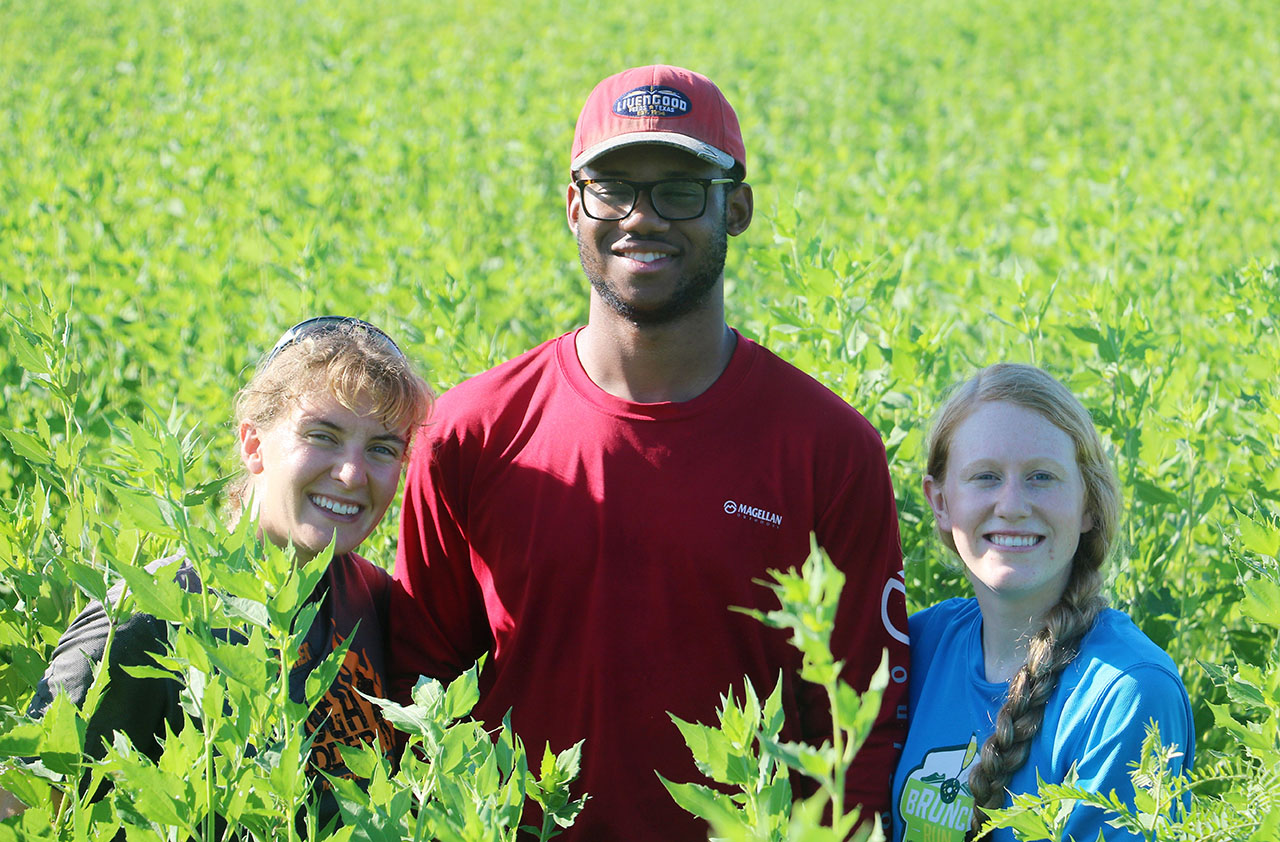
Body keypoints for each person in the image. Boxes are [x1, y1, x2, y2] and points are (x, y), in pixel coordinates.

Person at [392, 64, 909, 840]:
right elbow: (417, 687)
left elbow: (861, 730)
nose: (643, 217)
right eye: (614, 187)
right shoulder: (472, 432)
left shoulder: (827, 449)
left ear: (736, 208)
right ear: (574, 207)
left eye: (680, 189)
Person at [2, 317, 433, 827]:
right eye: (323, 435)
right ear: (253, 444)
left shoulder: (375, 600)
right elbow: (21, 812)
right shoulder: (148, 619)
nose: (351, 473)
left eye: (382, 448)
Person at [891, 363, 1195, 842]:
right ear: (940, 502)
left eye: (1041, 477)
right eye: (986, 476)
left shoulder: (1125, 693)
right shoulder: (921, 645)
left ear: (1089, 505)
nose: (1012, 505)